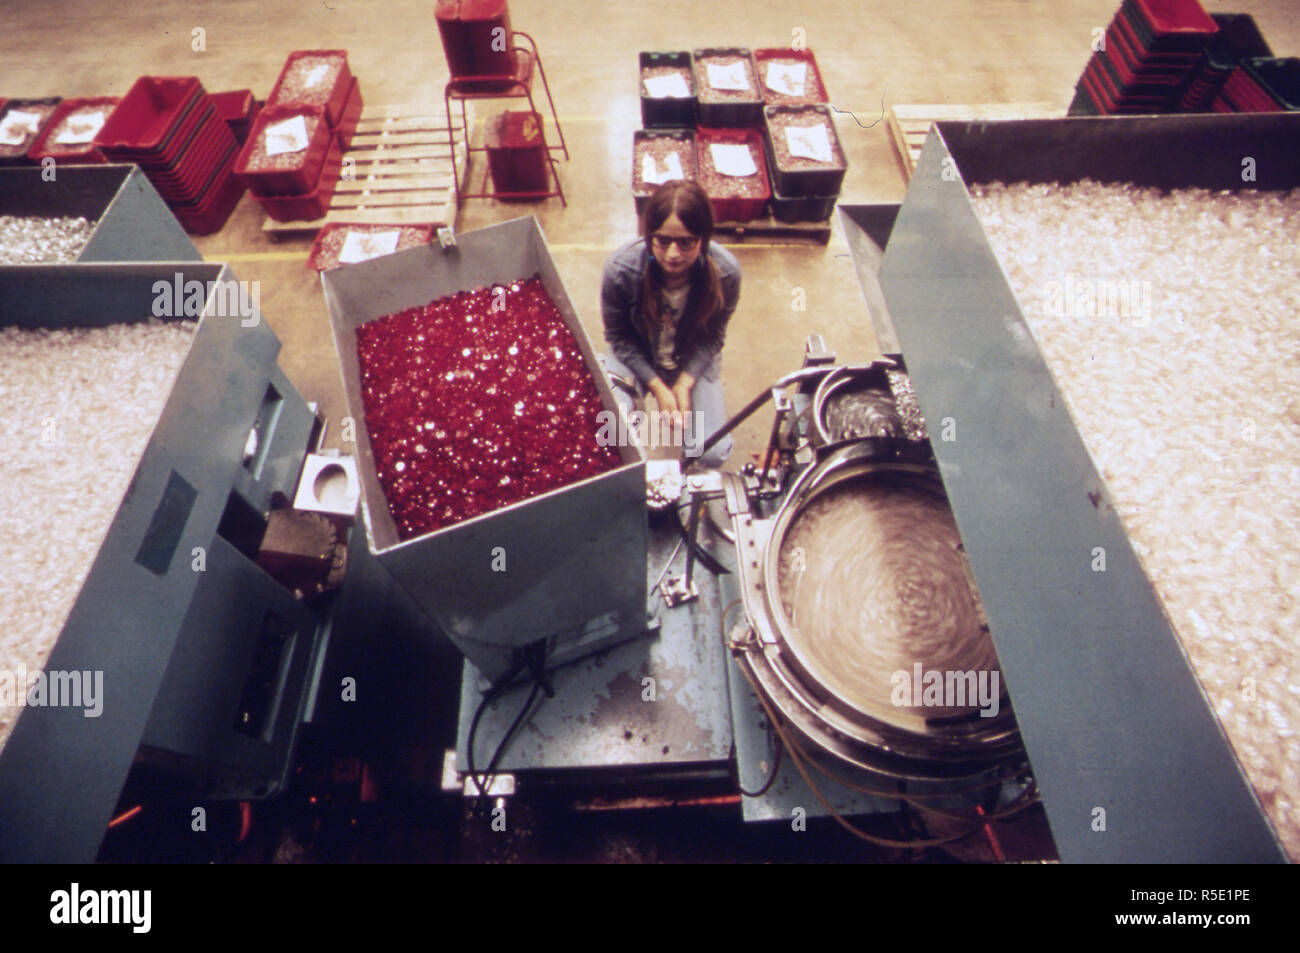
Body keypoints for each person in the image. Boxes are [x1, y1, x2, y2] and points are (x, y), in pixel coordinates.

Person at [600, 179, 739, 468]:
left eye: (686, 242)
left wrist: (685, 383)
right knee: (611, 433)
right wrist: (659, 387)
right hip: (637, 355)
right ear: (650, 235)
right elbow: (619, 338)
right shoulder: (621, 272)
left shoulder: (726, 274)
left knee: (710, 452)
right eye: (663, 241)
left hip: (691, 358)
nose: (673, 254)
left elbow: (713, 337)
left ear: (703, 239)